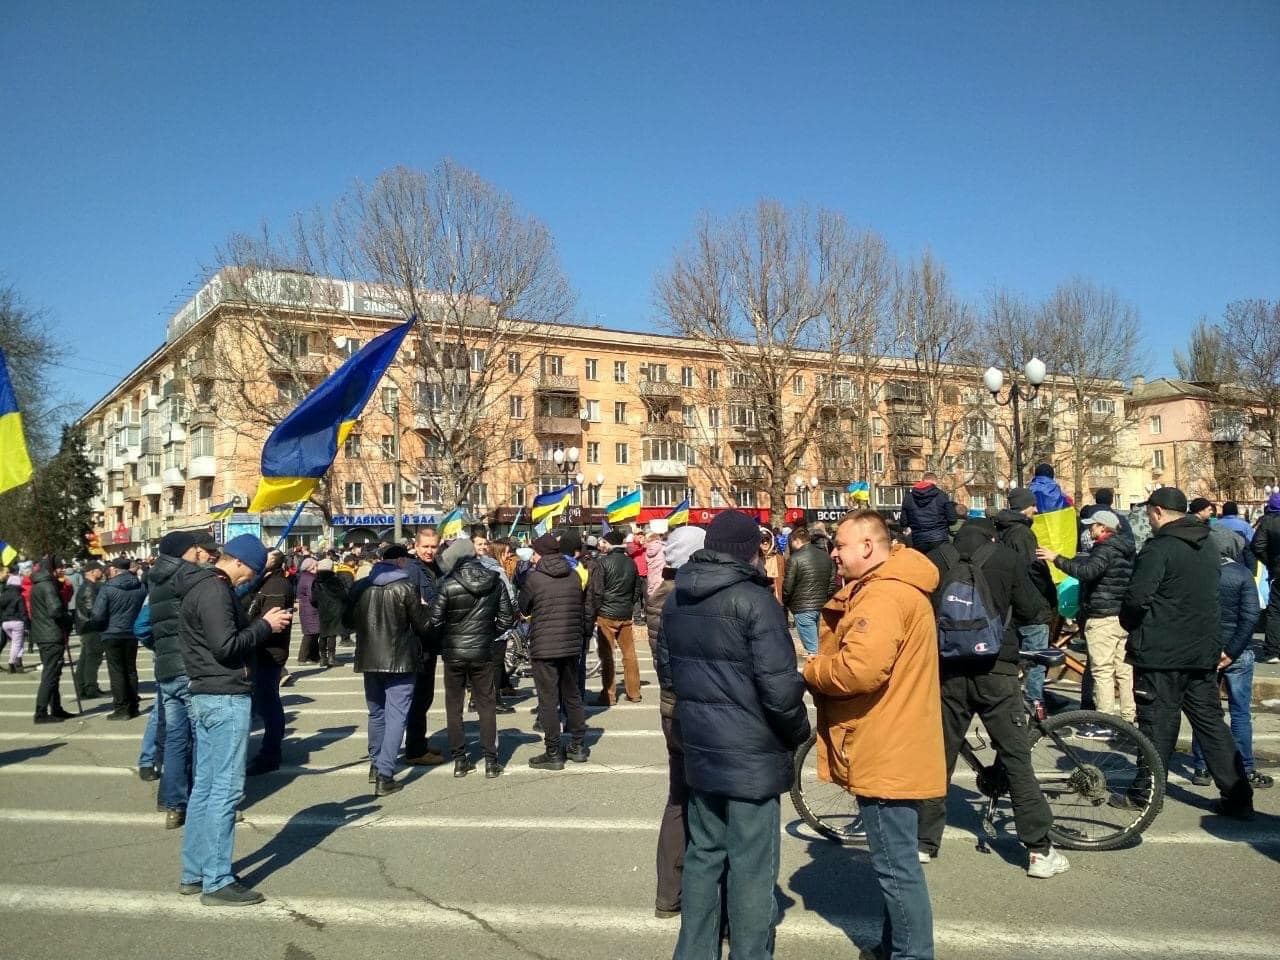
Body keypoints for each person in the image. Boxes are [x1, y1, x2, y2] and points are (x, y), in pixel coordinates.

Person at [665, 510, 810, 958]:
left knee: (704, 855)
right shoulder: (755, 601)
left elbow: (670, 674)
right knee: (752, 865)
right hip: (751, 751)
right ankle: (750, 952)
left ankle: (694, 952)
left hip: (701, 746)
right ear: (752, 550)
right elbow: (780, 686)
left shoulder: (677, 597)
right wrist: (799, 731)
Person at [804, 512, 945, 957]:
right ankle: (894, 946)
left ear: (867, 546)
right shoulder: (894, 587)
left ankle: (910, 954)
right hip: (894, 735)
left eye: (840, 545)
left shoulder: (883, 595)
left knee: (895, 865)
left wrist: (809, 668)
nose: (834, 554)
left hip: (887, 743)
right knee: (895, 861)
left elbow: (858, 670)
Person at [917, 518, 1066, 880]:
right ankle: (1038, 850)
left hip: (948, 671)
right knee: (1016, 758)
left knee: (939, 755)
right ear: (993, 537)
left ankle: (923, 843)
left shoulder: (937, 557)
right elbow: (1034, 610)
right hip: (997, 669)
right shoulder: (1007, 558)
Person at [1120, 486, 1254, 818]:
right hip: (1202, 650)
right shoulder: (1208, 545)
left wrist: (1130, 623)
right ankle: (1238, 795)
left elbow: (1137, 599)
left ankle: (1146, 793)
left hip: (1161, 652)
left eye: (1149, 514)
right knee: (1211, 724)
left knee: (1157, 724)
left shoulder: (1159, 548)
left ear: (1157, 512)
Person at [177, 534, 289, 905]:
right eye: (250, 572)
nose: (249, 579)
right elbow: (225, 646)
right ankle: (216, 879)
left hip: (210, 693)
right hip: (223, 696)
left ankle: (196, 871)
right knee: (224, 790)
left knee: (206, 789)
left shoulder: (207, 586)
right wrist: (264, 626)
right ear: (238, 562)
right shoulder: (214, 591)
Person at [137, 531, 218, 828]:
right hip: (191, 667)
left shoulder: (155, 580)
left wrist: (161, 648)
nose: (203, 552)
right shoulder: (190, 577)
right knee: (202, 738)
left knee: (174, 738)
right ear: (188, 550)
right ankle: (202, 802)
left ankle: (173, 804)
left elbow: (144, 628)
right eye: (197, 548)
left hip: (166, 669)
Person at [648, 524, 705, 921]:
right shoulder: (687, 599)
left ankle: (669, 894)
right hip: (696, 710)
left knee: (678, 798)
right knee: (710, 804)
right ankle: (709, 902)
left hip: (670, 708)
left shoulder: (658, 596)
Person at [346, 544, 433, 795]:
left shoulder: (362, 585)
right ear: (401, 562)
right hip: (400, 659)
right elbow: (423, 626)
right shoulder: (407, 587)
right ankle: (385, 773)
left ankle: (375, 764)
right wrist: (426, 607)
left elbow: (347, 622)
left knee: (376, 714)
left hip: (369, 659)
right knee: (397, 716)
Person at [1189, 530, 1272, 789]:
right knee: (1240, 713)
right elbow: (1250, 617)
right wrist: (1232, 651)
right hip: (1237, 651)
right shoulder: (1241, 574)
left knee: (1204, 711)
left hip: (1204, 651)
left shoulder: (1198, 572)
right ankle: (1245, 767)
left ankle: (1202, 767)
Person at [1039, 509, 1136, 725]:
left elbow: (1087, 572)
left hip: (1101, 616)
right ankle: (1128, 718)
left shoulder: (1104, 549)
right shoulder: (1127, 549)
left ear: (1103, 527)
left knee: (1101, 670)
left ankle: (1106, 721)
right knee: (1124, 670)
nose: (1089, 529)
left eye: (1093, 525)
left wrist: (1057, 559)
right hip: (1121, 616)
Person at [430, 537, 515, 779]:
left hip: (454, 653)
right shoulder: (495, 581)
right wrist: (489, 635)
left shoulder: (448, 584)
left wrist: (448, 637)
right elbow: (507, 619)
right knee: (486, 705)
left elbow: (435, 621)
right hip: (483, 651)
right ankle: (491, 761)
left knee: (454, 706)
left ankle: (460, 761)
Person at [520, 531, 593, 770]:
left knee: (548, 700)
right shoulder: (574, 575)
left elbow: (523, 606)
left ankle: (553, 751)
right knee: (572, 696)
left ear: (540, 554)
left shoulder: (535, 578)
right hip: (571, 644)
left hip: (544, 646)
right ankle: (578, 745)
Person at [993, 488, 1057, 709]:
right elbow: (1032, 570)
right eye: (1033, 506)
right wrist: (1049, 594)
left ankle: (1021, 704)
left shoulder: (1002, 531)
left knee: (1018, 658)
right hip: (1031, 605)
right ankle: (1034, 706)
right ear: (1024, 507)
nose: (1036, 510)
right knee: (1037, 660)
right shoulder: (1022, 533)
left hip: (1011, 605)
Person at [245, 550, 294, 775]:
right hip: (258, 650)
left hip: (268, 652)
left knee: (269, 703)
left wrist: (249, 630)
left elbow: (270, 621)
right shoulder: (262, 582)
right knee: (261, 703)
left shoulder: (276, 585)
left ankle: (270, 753)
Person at [403, 527, 446, 766]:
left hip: (429, 640)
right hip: (417, 642)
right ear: (416, 546)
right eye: (425, 547)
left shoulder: (434, 568)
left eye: (433, 546)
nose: (430, 551)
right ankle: (415, 749)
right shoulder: (412, 570)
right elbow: (415, 608)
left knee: (425, 696)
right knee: (418, 696)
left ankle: (417, 742)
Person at [89, 555, 147, 721]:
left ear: (114, 569)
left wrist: (96, 625)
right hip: (132, 632)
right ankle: (133, 706)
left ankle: (122, 708)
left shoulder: (108, 588)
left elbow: (98, 614)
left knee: (116, 671)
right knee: (130, 669)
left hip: (111, 632)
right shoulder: (140, 586)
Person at [594, 529, 641, 705]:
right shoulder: (631, 562)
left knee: (607, 655)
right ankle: (634, 692)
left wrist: (596, 610)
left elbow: (597, 590)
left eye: (604, 542)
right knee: (630, 654)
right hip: (625, 612)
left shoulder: (603, 562)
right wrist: (629, 604)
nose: (601, 545)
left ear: (610, 543)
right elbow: (637, 588)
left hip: (606, 614)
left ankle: (609, 695)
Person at [30, 557, 75, 724]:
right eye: (59, 567)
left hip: (44, 634)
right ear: (51, 569)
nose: (62, 570)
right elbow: (55, 610)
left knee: (53, 673)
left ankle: (56, 708)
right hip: (51, 635)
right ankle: (41, 712)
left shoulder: (39, 584)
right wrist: (68, 619)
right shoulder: (48, 585)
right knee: (50, 673)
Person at [782, 526, 835, 656]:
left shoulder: (794, 559)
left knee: (813, 650)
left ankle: (816, 674)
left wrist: (786, 602)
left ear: (795, 541)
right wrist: (825, 598)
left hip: (802, 607)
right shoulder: (825, 557)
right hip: (821, 605)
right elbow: (832, 582)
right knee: (820, 646)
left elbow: (788, 586)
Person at [1251, 491, 1280, 663]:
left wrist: (1270, 563)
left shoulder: (1268, 522)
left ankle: (1272, 651)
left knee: (1275, 611)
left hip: (1278, 572)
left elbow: (1257, 546)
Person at [900, 471, 959, 555]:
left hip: (918, 539)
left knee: (924, 566)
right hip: (939, 538)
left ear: (923, 480)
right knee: (941, 565)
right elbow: (952, 519)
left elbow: (903, 522)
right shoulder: (942, 495)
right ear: (935, 482)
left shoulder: (909, 497)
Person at [73, 560, 106, 697]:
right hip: (91, 627)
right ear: (92, 572)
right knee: (93, 658)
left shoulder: (89, 586)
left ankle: (82, 687)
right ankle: (90, 688)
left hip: (87, 626)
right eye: (99, 570)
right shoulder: (89, 588)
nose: (102, 572)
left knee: (85, 658)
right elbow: (92, 610)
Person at [310, 558, 347, 667]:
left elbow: (313, 599)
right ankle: (331, 658)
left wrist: (319, 605)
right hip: (335, 609)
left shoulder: (315, 581)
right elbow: (343, 595)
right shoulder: (335, 580)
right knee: (332, 633)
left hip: (322, 609)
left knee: (323, 633)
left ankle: (323, 658)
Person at [295, 556, 321, 664]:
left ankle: (314, 656)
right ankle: (302, 657)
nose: (317, 567)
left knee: (314, 633)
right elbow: (313, 596)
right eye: (316, 565)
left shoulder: (304, 576)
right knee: (310, 634)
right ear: (311, 567)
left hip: (307, 608)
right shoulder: (310, 578)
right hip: (311, 609)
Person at [2, 566, 26, 674]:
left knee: (17, 643)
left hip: (5, 623)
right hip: (17, 622)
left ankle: (19, 666)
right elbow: (22, 611)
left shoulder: (3, 595)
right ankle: (12, 663)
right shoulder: (18, 596)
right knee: (17, 643)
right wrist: (26, 622)